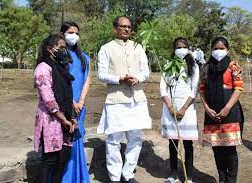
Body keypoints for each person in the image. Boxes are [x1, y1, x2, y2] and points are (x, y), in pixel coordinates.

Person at [97, 15, 151, 183]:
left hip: (137, 98)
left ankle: (128, 174)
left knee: (135, 138)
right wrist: (119, 79)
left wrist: (138, 78)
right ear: (115, 29)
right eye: (123, 26)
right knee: (114, 140)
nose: (126, 29)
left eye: (128, 27)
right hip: (116, 99)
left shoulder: (138, 47)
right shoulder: (106, 48)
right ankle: (114, 176)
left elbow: (146, 71)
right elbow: (101, 74)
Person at [199, 37, 244, 183]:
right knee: (217, 149)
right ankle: (222, 178)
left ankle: (231, 180)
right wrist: (207, 108)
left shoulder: (233, 66)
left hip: (230, 113)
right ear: (211, 50)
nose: (218, 51)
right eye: (215, 49)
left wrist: (227, 108)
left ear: (227, 50)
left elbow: (238, 88)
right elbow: (202, 90)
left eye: (221, 48)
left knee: (230, 150)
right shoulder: (206, 67)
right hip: (211, 114)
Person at [34, 34, 76, 183]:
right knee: (49, 160)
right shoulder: (42, 69)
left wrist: (71, 118)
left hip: (64, 119)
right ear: (50, 49)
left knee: (62, 159)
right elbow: (49, 100)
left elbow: (67, 95)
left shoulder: (61, 68)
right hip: (51, 119)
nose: (65, 51)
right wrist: (63, 119)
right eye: (61, 47)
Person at [160, 37, 199, 183]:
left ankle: (189, 177)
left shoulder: (193, 66)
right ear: (173, 49)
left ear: (188, 48)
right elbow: (162, 87)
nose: (181, 50)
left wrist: (183, 109)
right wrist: (170, 107)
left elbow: (194, 90)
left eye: (184, 47)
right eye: (178, 47)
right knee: (173, 143)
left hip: (187, 110)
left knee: (188, 144)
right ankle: (173, 174)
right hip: (170, 109)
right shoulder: (168, 65)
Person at [60, 21, 91, 183]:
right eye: (71, 32)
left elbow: (87, 80)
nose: (74, 36)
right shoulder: (59, 56)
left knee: (77, 140)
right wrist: (71, 102)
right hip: (65, 104)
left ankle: (78, 178)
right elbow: (60, 81)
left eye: (77, 33)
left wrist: (81, 101)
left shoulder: (84, 57)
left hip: (80, 106)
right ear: (62, 34)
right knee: (65, 140)